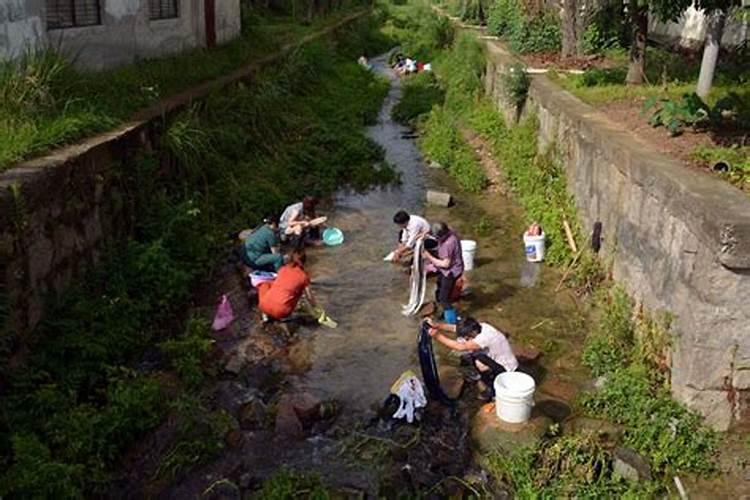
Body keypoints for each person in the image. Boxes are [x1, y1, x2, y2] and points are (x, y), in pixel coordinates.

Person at [426, 316, 518, 400]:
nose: (466, 338)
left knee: (478, 362)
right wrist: (437, 325)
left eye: (467, 336)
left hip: (506, 369)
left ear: (473, 332)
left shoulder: (484, 338)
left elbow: (459, 347)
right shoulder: (482, 326)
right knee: (474, 356)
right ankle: (483, 376)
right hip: (499, 359)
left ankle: (493, 389)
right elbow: (455, 328)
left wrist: (437, 336)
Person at [257, 249, 318, 321]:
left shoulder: (282, 269)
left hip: (264, 306)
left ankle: (265, 314)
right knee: (298, 291)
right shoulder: (303, 276)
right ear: (304, 261)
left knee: (266, 284)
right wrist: (317, 310)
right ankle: (284, 316)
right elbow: (310, 297)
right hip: (281, 312)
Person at [421, 222, 463, 324]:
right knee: (439, 289)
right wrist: (425, 234)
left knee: (444, 298)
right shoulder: (451, 232)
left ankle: (452, 321)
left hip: (450, 272)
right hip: (453, 268)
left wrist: (428, 257)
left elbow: (445, 264)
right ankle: (444, 311)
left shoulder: (447, 245)